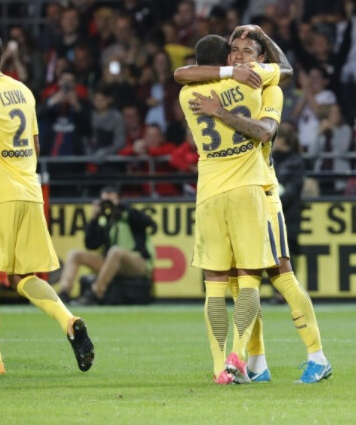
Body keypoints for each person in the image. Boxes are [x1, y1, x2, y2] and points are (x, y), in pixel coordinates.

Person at [177, 26, 332, 384]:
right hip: (239, 191)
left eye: (248, 50)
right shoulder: (237, 81)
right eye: (234, 50)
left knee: (281, 275)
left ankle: (317, 356)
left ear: (262, 58)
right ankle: (257, 363)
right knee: (238, 282)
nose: (239, 56)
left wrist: (219, 112)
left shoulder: (269, 87)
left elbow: (265, 132)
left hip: (263, 192)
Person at [0, 30, 94, 375]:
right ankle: (69, 320)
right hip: (30, 193)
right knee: (21, 274)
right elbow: (35, 145)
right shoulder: (24, 91)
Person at [176, 34, 279, 384]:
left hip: (208, 194)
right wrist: (253, 54)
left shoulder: (187, 96)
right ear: (226, 60)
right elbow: (285, 70)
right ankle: (239, 356)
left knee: (215, 285)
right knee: (249, 279)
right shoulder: (252, 82)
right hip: (246, 190)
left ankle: (219, 366)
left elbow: (182, 73)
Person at [57, 186, 157, 304]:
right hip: (113, 265)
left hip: (138, 264)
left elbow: (148, 222)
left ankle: (95, 294)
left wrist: (122, 207)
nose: (108, 205)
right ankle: (64, 293)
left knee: (116, 251)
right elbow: (91, 244)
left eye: (111, 201)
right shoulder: (104, 220)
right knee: (75, 254)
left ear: (119, 200)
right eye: (105, 201)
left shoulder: (130, 215)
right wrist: (94, 219)